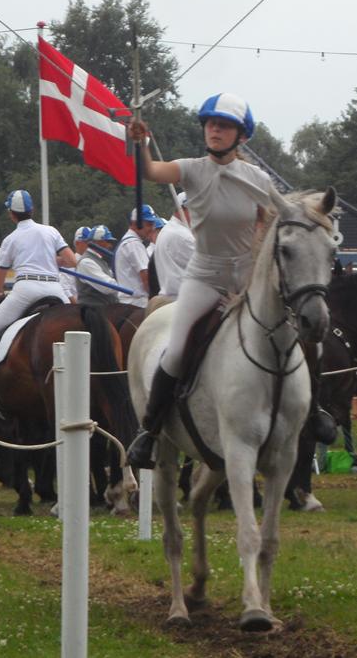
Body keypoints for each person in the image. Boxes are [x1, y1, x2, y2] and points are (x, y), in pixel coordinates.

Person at [125, 93, 336, 469]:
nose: (215, 131)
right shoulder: (190, 168)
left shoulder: (256, 177)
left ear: (241, 136)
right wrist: (139, 144)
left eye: (223, 126)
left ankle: (314, 407)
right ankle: (150, 430)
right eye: (211, 125)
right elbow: (151, 173)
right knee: (174, 351)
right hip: (203, 275)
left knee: (302, 336)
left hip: (246, 275)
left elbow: (277, 217)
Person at [0, 190, 76, 410]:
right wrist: (50, 260)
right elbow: (71, 261)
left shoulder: (10, 239)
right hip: (55, 287)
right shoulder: (51, 231)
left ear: (11, 214)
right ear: (32, 210)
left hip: (25, 290)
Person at [151, 192, 195, 298]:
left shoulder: (169, 229)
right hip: (183, 299)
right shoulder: (183, 235)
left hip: (169, 296)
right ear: (182, 210)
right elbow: (208, 268)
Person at [115, 205, 156, 306]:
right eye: (149, 224)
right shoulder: (134, 244)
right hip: (137, 303)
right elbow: (146, 277)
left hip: (129, 302)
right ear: (135, 223)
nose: (152, 228)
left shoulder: (128, 241)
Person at [75, 225, 119, 306]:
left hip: (106, 308)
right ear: (97, 242)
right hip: (92, 310)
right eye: (107, 241)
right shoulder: (86, 262)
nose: (110, 245)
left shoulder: (100, 260)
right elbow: (107, 287)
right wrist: (125, 281)